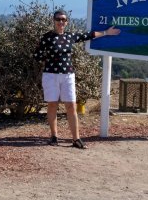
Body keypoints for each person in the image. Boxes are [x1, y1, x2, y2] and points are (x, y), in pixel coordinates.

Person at [33, 9, 121, 149]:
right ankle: (54, 136)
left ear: (67, 22)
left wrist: (106, 32)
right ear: (54, 21)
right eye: (58, 19)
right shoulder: (47, 37)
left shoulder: (70, 36)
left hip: (68, 75)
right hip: (50, 75)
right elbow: (36, 55)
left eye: (63, 19)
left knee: (71, 106)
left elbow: (88, 35)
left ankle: (76, 139)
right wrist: (49, 59)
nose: (61, 22)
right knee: (52, 105)